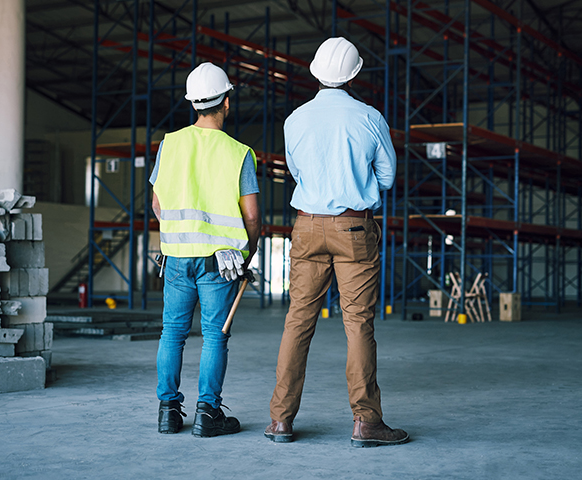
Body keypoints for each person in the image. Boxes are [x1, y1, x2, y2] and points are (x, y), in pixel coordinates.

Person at [264, 37, 407, 447]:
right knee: (358, 323)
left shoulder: (295, 120)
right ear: (354, 74)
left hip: (307, 226)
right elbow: (386, 177)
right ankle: (366, 423)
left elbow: (296, 171)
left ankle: (280, 420)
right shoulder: (369, 117)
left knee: (297, 321)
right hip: (354, 228)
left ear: (315, 71)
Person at [150, 62, 261, 437]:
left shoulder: (170, 144)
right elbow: (252, 217)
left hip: (177, 258)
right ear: (226, 102)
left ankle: (168, 412)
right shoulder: (239, 152)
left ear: (193, 104)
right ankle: (208, 414)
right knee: (215, 336)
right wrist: (246, 255)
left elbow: (157, 204)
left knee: (172, 333)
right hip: (220, 262)